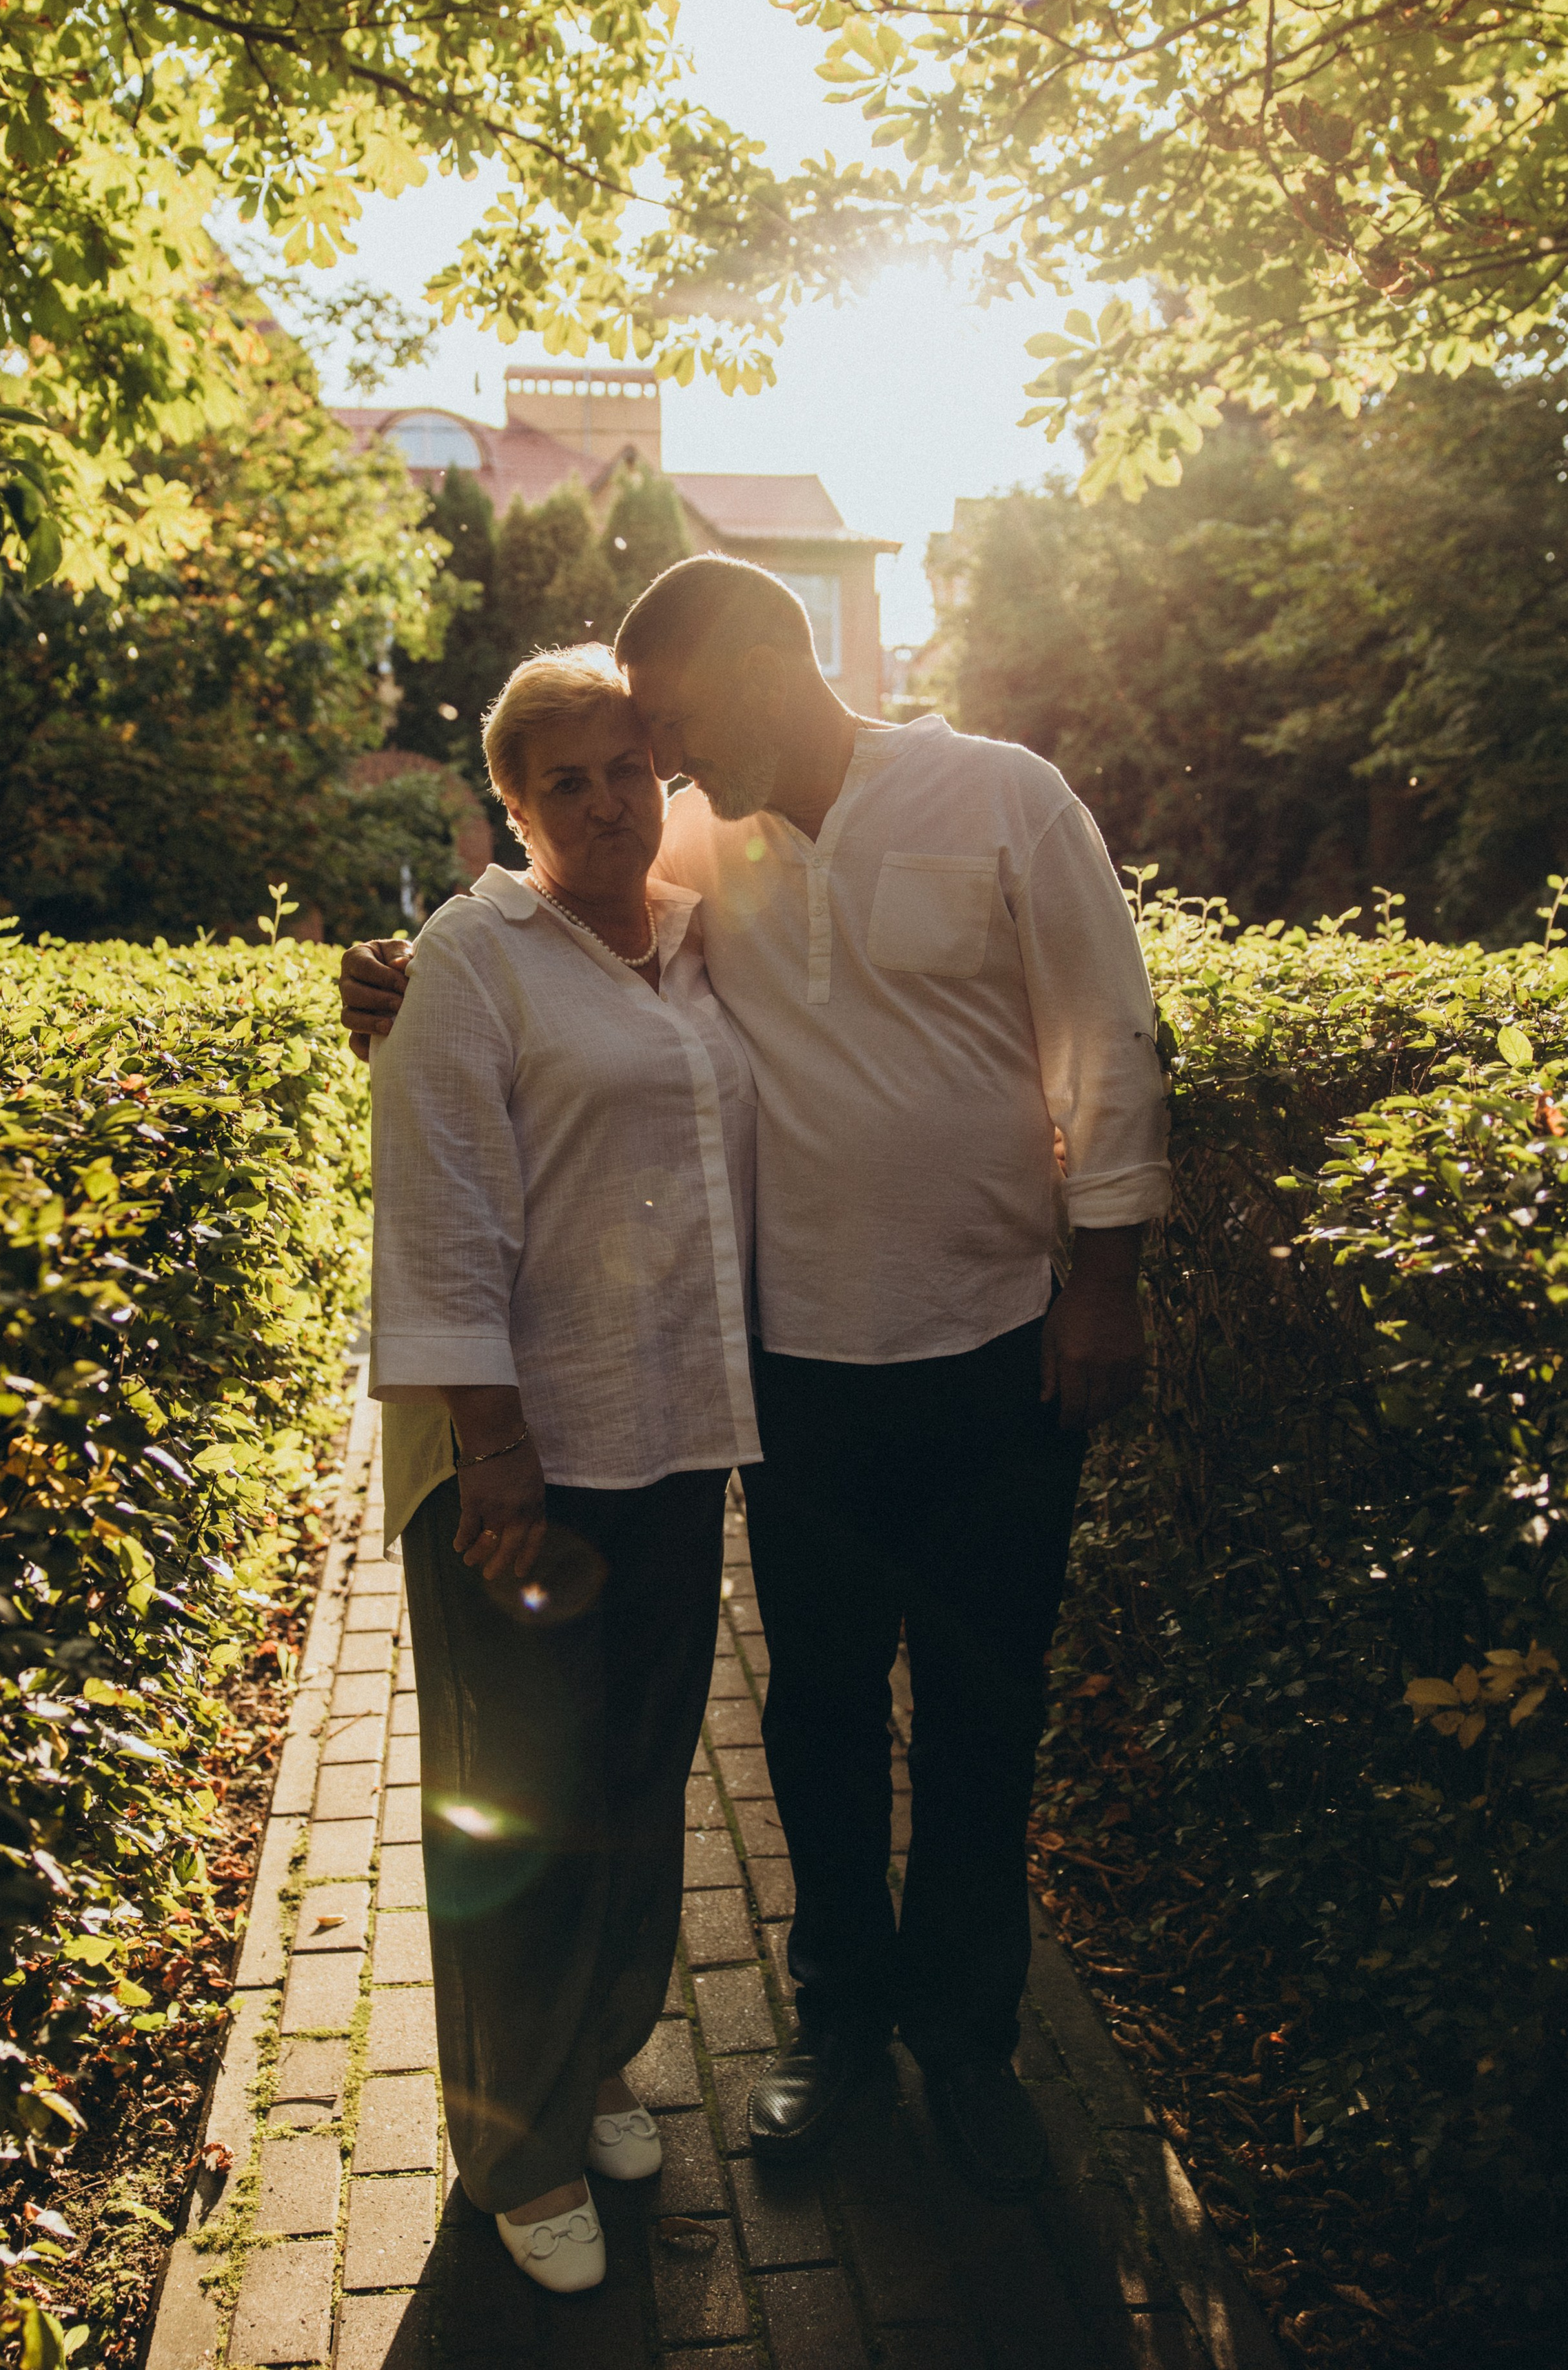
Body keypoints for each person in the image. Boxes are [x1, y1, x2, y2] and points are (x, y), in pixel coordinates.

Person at [346, 555, 1169, 2197]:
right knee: (819, 1709)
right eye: (637, 749)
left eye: (669, 728)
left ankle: (968, 2029)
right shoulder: (693, 837)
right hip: (796, 1373)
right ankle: (837, 2016)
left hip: (1000, 1352)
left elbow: (1107, 1033)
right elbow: (551, 932)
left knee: (985, 1704)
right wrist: (404, 987)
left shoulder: (1000, 797)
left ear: (763, 672)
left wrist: (1102, 1288)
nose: (653, 766)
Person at [367, 642, 760, 2293]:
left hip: (673, 1436)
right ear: (512, 809)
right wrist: (493, 1448)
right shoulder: (471, 960)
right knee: (515, 1806)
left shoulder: (698, 937)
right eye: (564, 784)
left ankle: (592, 2061)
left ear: (662, 778)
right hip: (522, 1461)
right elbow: (439, 1211)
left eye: (625, 770)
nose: (605, 805)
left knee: (632, 1781)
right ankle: (508, 2146)